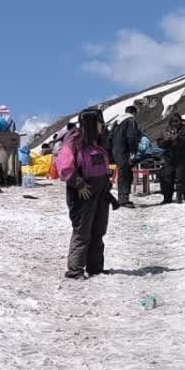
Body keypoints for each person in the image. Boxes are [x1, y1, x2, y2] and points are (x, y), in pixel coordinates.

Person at [57, 109, 113, 279]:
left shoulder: (98, 141)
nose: (102, 125)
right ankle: (75, 269)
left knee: (98, 229)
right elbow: (64, 166)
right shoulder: (75, 140)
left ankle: (95, 267)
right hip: (82, 193)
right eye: (99, 122)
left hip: (100, 192)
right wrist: (78, 183)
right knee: (82, 231)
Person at [157, 113, 185, 204]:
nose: (175, 123)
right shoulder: (166, 130)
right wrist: (167, 140)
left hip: (182, 158)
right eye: (173, 121)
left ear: (180, 120)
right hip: (169, 158)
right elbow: (160, 143)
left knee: (181, 178)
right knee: (167, 177)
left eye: (176, 121)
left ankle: (181, 196)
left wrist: (178, 138)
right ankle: (167, 197)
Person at [108, 106, 142, 208]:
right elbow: (131, 136)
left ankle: (122, 197)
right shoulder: (130, 120)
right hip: (125, 151)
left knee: (122, 173)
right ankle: (123, 198)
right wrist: (133, 151)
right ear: (133, 112)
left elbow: (110, 137)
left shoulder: (116, 121)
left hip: (116, 150)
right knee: (125, 174)